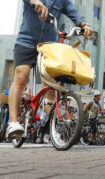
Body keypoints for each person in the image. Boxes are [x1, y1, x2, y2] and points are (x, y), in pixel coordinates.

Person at [6, 0, 94, 139]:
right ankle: (13, 122)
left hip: (49, 45)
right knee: (22, 77)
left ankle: (53, 129)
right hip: (26, 41)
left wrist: (84, 24)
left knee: (51, 87)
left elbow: (73, 12)